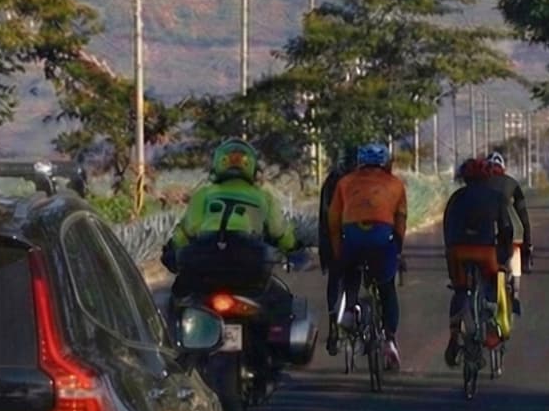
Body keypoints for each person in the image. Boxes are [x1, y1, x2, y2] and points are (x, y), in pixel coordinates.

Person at [161, 138, 301, 330]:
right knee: (280, 304)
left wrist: (171, 251)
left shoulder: (204, 193)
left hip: (204, 265)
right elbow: (279, 232)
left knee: (177, 301)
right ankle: (275, 353)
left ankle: (173, 346)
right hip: (249, 265)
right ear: (251, 167)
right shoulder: (263, 197)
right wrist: (292, 248)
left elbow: (187, 230)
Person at [328, 142, 407, 368]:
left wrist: (338, 253)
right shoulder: (396, 184)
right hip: (382, 238)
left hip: (352, 237)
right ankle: (390, 340)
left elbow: (333, 222)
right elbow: (400, 219)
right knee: (387, 288)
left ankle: (350, 310)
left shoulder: (344, 183)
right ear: (386, 163)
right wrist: (398, 249)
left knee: (350, 273)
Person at [441, 157, 518, 367]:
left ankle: (454, 333)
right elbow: (507, 229)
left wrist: (450, 251)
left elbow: (447, 228)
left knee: (459, 290)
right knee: (495, 284)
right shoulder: (496, 197)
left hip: (458, 252)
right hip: (486, 253)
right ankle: (492, 331)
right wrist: (504, 255)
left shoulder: (456, 198)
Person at [484, 151, 532, 313]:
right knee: (515, 251)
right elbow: (523, 215)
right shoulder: (512, 183)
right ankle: (516, 293)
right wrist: (529, 242)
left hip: (484, 231)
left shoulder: (479, 184)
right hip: (511, 229)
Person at [316, 149, 354, 348]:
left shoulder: (331, 181)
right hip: (359, 238)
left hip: (333, 238)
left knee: (334, 277)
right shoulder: (365, 182)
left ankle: (333, 320)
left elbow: (324, 217)